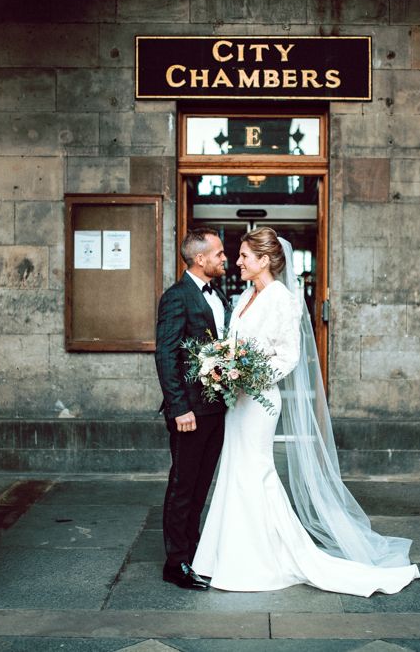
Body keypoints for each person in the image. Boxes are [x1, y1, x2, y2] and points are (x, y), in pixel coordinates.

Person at [192, 227, 420, 596]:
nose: (237, 262)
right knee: (235, 471)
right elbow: (234, 345)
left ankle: (261, 560)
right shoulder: (245, 296)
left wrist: (250, 374)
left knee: (255, 472)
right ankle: (223, 557)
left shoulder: (282, 300)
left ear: (265, 260)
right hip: (238, 402)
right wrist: (224, 367)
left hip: (260, 400)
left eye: (244, 256)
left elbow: (288, 356)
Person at [155, 228, 230, 590]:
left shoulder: (219, 295)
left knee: (201, 484)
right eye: (218, 253)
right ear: (199, 259)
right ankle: (176, 562)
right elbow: (166, 354)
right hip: (189, 412)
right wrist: (178, 407)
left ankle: (194, 547)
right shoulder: (176, 297)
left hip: (216, 409)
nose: (224, 257)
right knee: (183, 485)